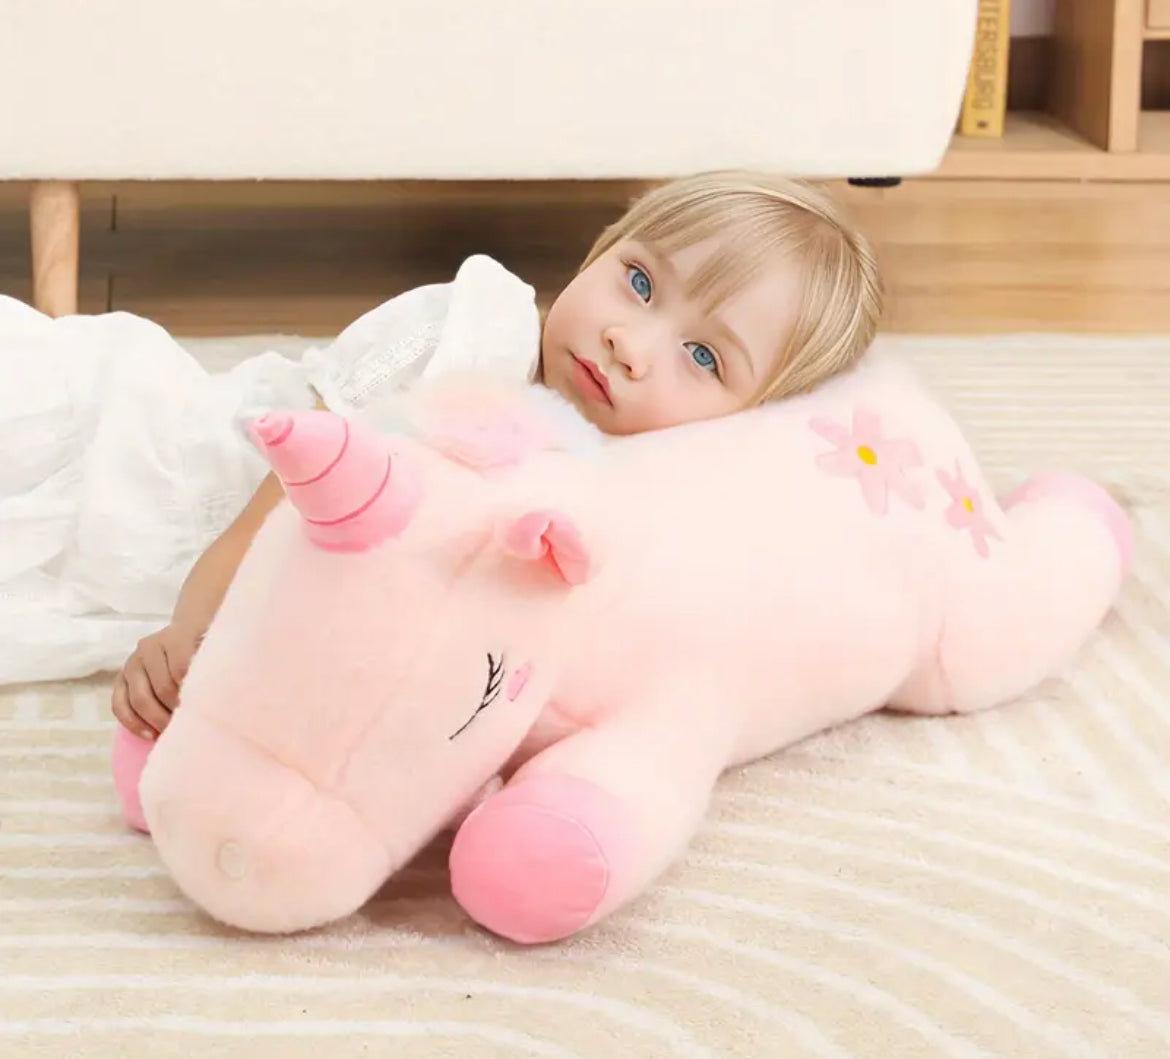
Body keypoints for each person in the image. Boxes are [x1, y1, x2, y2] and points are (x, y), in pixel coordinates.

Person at [107, 169, 883, 740]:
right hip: (183, 473)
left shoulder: (628, 504)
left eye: (704, 356)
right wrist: (194, 634)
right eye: (640, 282)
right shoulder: (469, 335)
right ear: (602, 249)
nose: (629, 342)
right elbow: (277, 500)